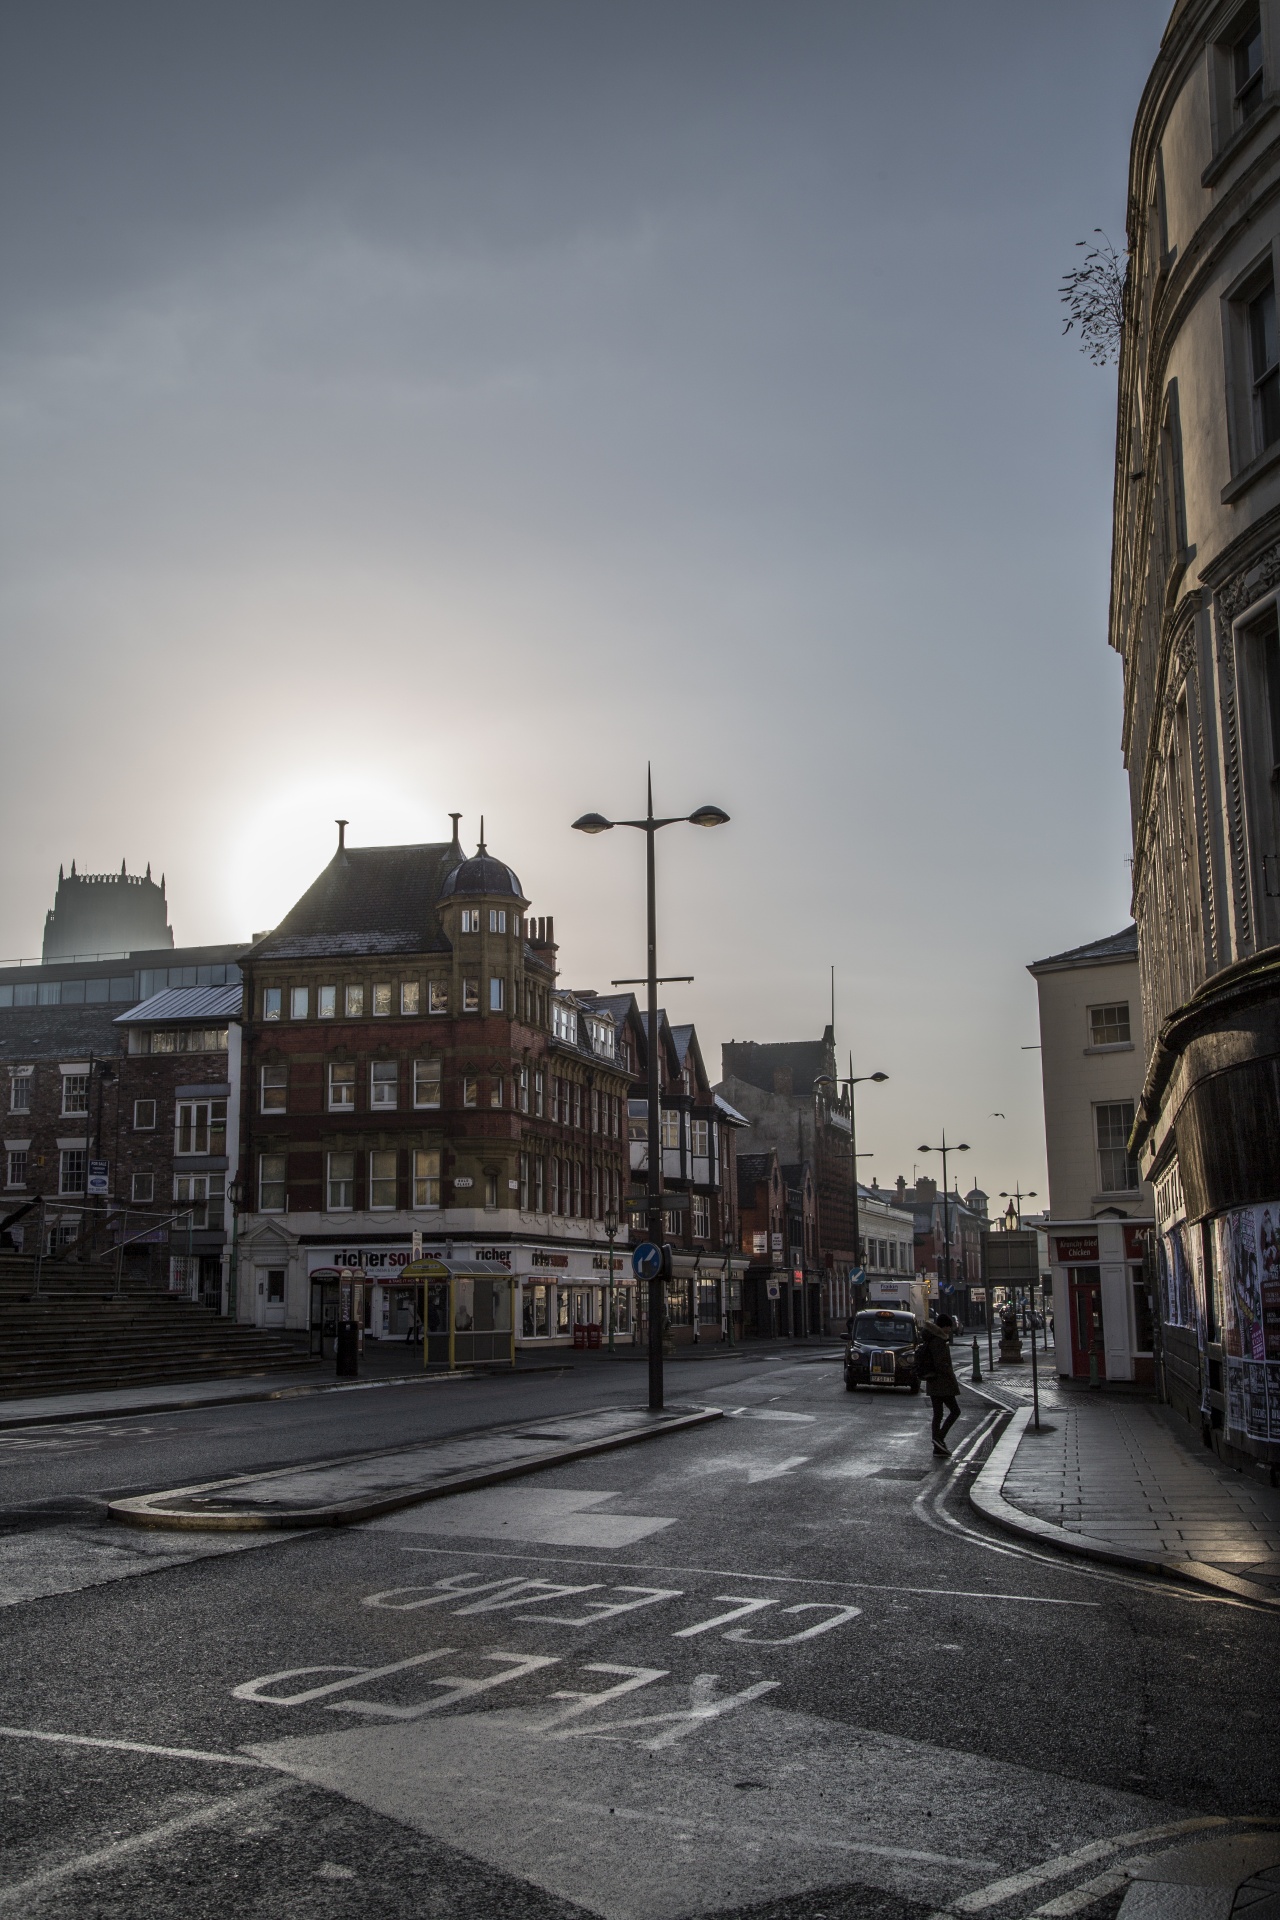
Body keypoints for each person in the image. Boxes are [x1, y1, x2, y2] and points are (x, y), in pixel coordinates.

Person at [920, 1311, 961, 1457]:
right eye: (948, 1327)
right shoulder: (938, 1341)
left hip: (934, 1383)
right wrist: (950, 1374)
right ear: (943, 1327)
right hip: (942, 1383)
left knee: (938, 1414)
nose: (950, 1329)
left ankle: (937, 1446)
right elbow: (940, 1364)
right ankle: (939, 1438)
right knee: (955, 1411)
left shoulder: (933, 1338)